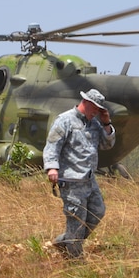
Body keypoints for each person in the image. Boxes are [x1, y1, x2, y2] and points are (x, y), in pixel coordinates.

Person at [43, 88, 116, 259]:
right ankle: (75, 263)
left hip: (89, 180)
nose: (97, 113)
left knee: (98, 212)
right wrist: (52, 167)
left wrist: (106, 123)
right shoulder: (65, 120)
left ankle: (65, 243)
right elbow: (52, 145)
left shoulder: (94, 124)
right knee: (76, 223)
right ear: (87, 103)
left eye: (99, 110)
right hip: (71, 181)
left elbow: (107, 145)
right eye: (95, 109)